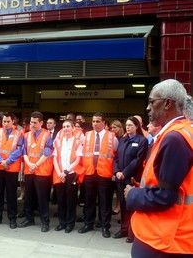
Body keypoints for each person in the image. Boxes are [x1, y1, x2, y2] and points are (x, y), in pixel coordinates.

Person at [125, 79, 193, 257]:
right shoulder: (181, 132)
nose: (148, 108)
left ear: (167, 103)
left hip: (165, 240)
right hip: (171, 236)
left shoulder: (175, 138)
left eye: (152, 101)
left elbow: (165, 196)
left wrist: (132, 194)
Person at [78, 112, 118, 238]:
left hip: (104, 174)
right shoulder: (86, 136)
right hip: (89, 172)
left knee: (105, 201)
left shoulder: (113, 137)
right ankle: (88, 223)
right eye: (93, 121)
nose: (95, 123)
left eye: (98, 121)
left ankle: (105, 226)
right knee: (89, 200)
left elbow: (115, 156)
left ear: (104, 123)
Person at [113, 116, 148, 242]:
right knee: (122, 204)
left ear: (137, 127)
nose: (128, 127)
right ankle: (123, 229)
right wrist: (117, 171)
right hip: (120, 178)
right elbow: (116, 158)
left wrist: (125, 172)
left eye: (131, 125)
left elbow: (138, 160)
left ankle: (131, 232)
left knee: (131, 206)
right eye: (127, 125)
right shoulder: (123, 140)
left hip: (131, 178)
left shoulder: (142, 140)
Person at [0, 112, 24, 229]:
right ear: (1, 122)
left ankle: (12, 218)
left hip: (11, 168)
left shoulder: (19, 134)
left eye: (8, 121)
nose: (6, 123)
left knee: (11, 194)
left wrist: (7, 161)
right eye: (4, 121)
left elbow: (19, 150)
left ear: (13, 122)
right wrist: (0, 161)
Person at [18, 111, 53, 232]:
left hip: (42, 171)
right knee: (28, 196)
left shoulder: (47, 135)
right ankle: (29, 218)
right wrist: (29, 164)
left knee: (42, 198)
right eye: (31, 122)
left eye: (35, 122)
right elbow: (24, 152)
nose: (32, 124)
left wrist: (35, 165)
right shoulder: (26, 135)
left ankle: (45, 222)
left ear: (41, 123)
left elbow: (47, 153)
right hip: (29, 170)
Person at [53, 120, 84, 233]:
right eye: (64, 126)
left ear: (72, 128)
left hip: (71, 174)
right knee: (61, 200)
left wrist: (65, 172)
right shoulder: (58, 141)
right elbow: (55, 158)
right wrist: (59, 172)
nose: (66, 128)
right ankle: (62, 223)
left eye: (68, 126)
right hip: (59, 174)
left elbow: (77, 159)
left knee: (71, 200)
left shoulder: (77, 142)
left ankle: (70, 224)